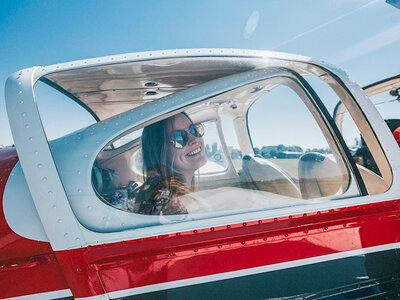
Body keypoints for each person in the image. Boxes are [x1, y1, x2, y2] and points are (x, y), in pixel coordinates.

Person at [131, 112, 207, 215]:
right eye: (179, 137)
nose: (194, 139)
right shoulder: (170, 200)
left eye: (194, 129)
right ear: (160, 151)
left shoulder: (163, 188)